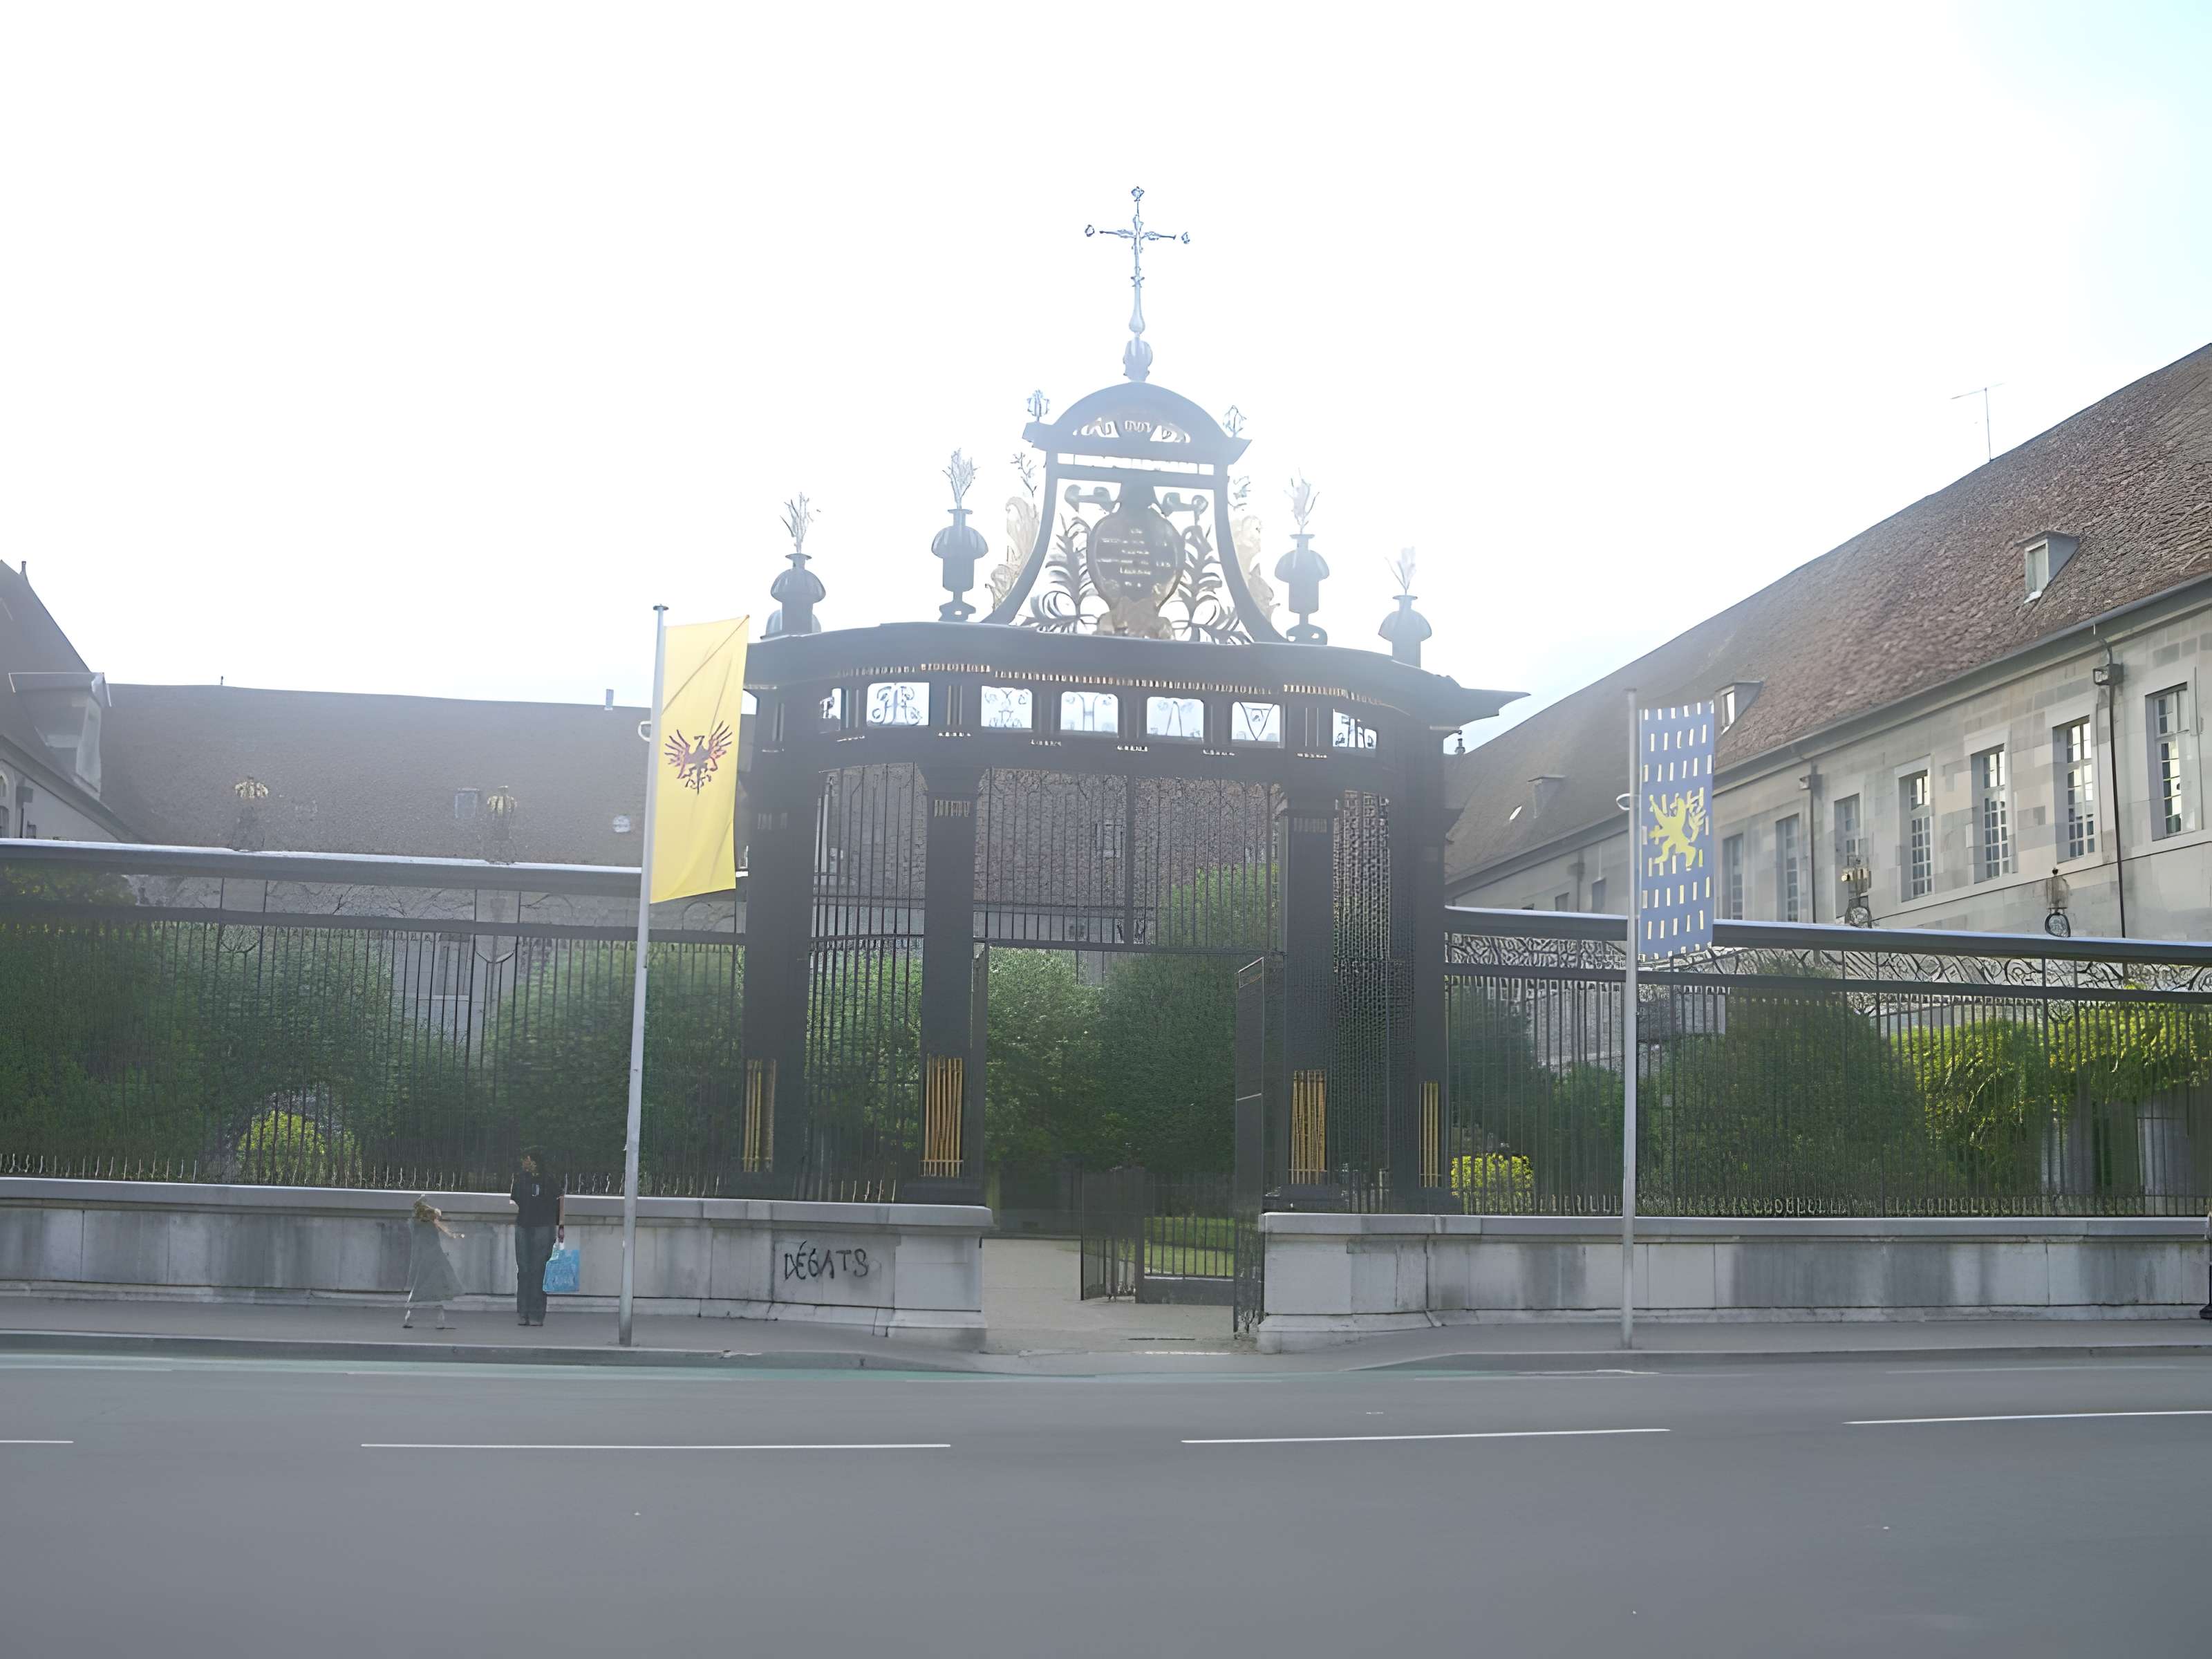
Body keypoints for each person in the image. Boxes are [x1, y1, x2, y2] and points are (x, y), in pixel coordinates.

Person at [509, 1148, 565, 1327]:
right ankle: (523, 1312)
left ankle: (536, 1313)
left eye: (526, 1159)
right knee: (524, 1269)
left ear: (534, 1161)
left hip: (544, 1226)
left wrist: (561, 1224)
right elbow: (516, 1199)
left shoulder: (548, 1180)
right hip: (523, 1225)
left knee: (539, 1270)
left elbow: (560, 1198)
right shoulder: (520, 1179)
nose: (524, 1163)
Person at [404, 1197, 465, 1331]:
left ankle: (409, 1316)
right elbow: (447, 1231)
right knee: (439, 1289)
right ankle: (440, 1319)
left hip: (423, 1258)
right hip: (436, 1257)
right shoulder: (433, 1222)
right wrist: (457, 1235)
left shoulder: (414, 1224)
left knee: (418, 1287)